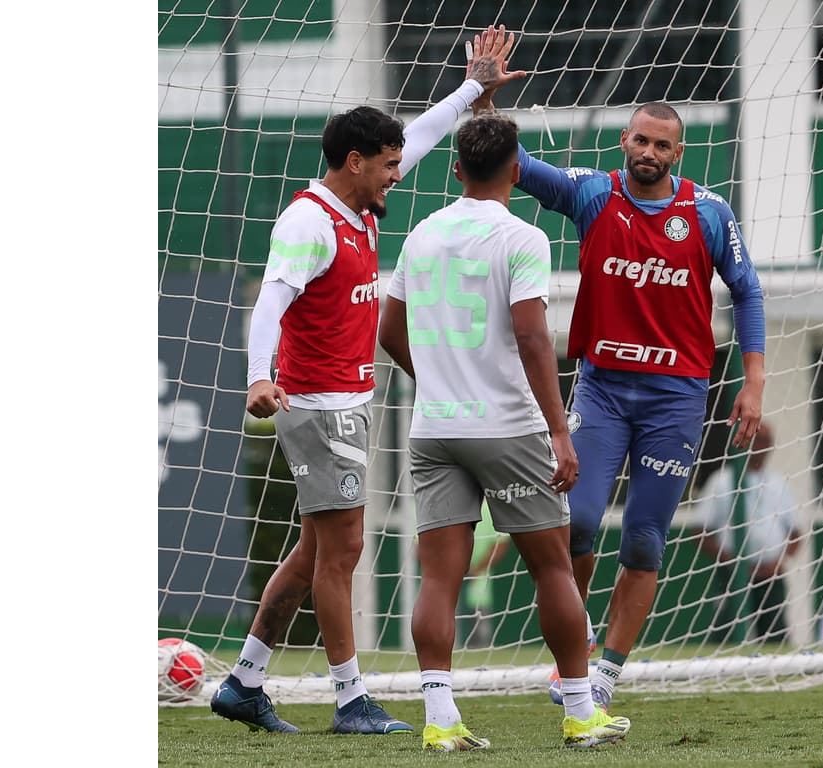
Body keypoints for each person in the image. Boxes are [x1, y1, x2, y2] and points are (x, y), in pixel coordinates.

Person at [209, 30, 524, 735]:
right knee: (346, 547)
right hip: (316, 406)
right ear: (354, 164)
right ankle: (351, 699)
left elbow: (424, 134)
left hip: (348, 401)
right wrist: (259, 376)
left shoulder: (359, 200)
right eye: (386, 165)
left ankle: (244, 681)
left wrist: (475, 88)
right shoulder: (309, 222)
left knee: (318, 548)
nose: (398, 173)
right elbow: (271, 300)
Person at [469, 25, 766, 711]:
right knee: (573, 521)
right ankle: (571, 661)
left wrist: (752, 382)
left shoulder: (709, 212)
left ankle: (606, 671)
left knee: (642, 538)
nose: (650, 153)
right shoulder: (593, 194)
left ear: (678, 153)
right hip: (601, 392)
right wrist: (482, 98)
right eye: (641, 140)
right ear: (624, 142)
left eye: (663, 145)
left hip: (678, 399)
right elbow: (512, 163)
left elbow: (748, 292)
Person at [378, 108, 631, 751]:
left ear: (456, 168)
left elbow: (387, 332)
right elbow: (530, 335)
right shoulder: (524, 237)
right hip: (509, 427)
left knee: (439, 577)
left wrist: (436, 381)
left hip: (435, 428)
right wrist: (561, 432)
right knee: (551, 567)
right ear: (518, 172)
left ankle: (439, 721)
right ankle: (579, 712)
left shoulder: (420, 235)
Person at [692, 421, 802, 644]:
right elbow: (700, 531)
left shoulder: (780, 483)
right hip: (733, 573)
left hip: (771, 574)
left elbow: (795, 533)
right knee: (725, 633)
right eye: (756, 440)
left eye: (766, 442)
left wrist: (778, 563)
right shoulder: (721, 481)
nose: (761, 447)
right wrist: (733, 562)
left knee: (776, 634)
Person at [458, 501, 512, 649]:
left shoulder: (491, 508)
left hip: (479, 584)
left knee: (479, 632)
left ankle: (480, 649)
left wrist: (477, 569)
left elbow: (501, 544)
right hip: (450, 578)